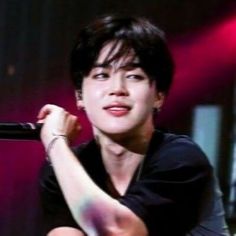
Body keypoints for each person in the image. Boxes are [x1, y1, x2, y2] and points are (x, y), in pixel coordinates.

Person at [38, 15, 230, 235]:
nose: (117, 88)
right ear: (80, 95)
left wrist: (55, 143)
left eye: (134, 76)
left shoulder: (182, 160)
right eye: (102, 75)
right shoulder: (61, 169)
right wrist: (59, 151)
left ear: (158, 95)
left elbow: (120, 231)